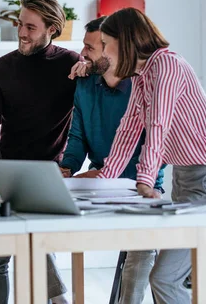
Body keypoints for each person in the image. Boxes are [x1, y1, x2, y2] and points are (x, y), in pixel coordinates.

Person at [73, 8, 206, 304]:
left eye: (108, 44)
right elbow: (129, 130)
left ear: (125, 42)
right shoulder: (141, 75)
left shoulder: (167, 66)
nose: (106, 52)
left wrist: (145, 180)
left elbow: (157, 126)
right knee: (205, 272)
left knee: (164, 278)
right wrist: (106, 180)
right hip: (186, 180)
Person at [0, 0, 80, 304]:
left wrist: (73, 164)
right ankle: (58, 299)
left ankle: (57, 299)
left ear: (51, 29)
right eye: (20, 24)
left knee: (31, 238)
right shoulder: (1, 67)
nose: (21, 32)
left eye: (31, 27)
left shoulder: (71, 65)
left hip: (51, 171)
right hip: (7, 168)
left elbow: (86, 117)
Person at [61, 17, 165, 304]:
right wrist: (67, 167)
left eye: (92, 47)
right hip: (99, 180)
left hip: (142, 184)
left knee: (142, 244)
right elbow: (78, 136)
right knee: (36, 221)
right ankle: (57, 297)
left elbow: (158, 146)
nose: (83, 53)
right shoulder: (85, 85)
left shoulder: (142, 86)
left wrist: (115, 176)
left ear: (113, 50)